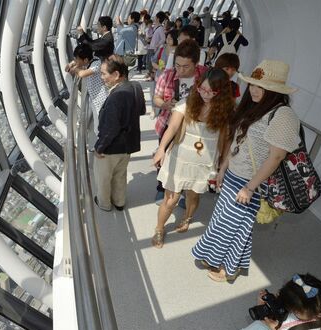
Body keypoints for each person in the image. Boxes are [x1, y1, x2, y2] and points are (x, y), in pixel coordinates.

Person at [192, 60, 301, 283]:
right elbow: (235, 141)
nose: (253, 90)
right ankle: (212, 256)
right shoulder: (252, 105)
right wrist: (223, 169)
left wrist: (250, 187)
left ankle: (229, 268)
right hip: (233, 174)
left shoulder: (283, 115)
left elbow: (276, 157)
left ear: (275, 91)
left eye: (261, 87)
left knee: (235, 226)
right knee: (222, 220)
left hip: (252, 183)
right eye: (252, 84)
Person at [151, 68, 234, 248]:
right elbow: (172, 128)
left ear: (221, 93)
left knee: (193, 197)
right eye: (202, 89)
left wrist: (222, 167)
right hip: (180, 158)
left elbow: (227, 141)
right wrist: (161, 148)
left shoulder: (225, 112)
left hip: (204, 162)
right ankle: (159, 229)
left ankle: (187, 218)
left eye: (211, 92)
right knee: (170, 199)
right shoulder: (187, 103)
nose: (205, 94)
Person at [153, 40, 209, 204]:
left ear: (196, 63)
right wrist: (164, 104)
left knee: (191, 160)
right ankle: (161, 187)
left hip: (195, 128)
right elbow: (156, 98)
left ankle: (184, 191)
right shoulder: (167, 75)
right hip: (169, 124)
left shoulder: (206, 75)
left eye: (186, 66)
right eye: (178, 65)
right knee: (163, 156)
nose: (180, 70)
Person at [93, 56, 146, 211]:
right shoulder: (134, 86)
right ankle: (119, 201)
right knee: (120, 175)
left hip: (112, 147)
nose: (102, 78)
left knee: (103, 178)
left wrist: (100, 147)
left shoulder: (116, 96)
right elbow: (141, 109)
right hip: (128, 144)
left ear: (116, 75)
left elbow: (111, 127)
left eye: (103, 74)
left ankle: (104, 204)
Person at [65, 44, 109, 138]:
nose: (76, 61)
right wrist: (72, 64)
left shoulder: (96, 64)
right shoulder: (88, 61)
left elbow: (82, 74)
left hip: (101, 100)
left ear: (85, 60)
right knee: (97, 125)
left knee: (99, 126)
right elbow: (68, 68)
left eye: (77, 59)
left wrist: (75, 67)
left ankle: (101, 147)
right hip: (94, 99)